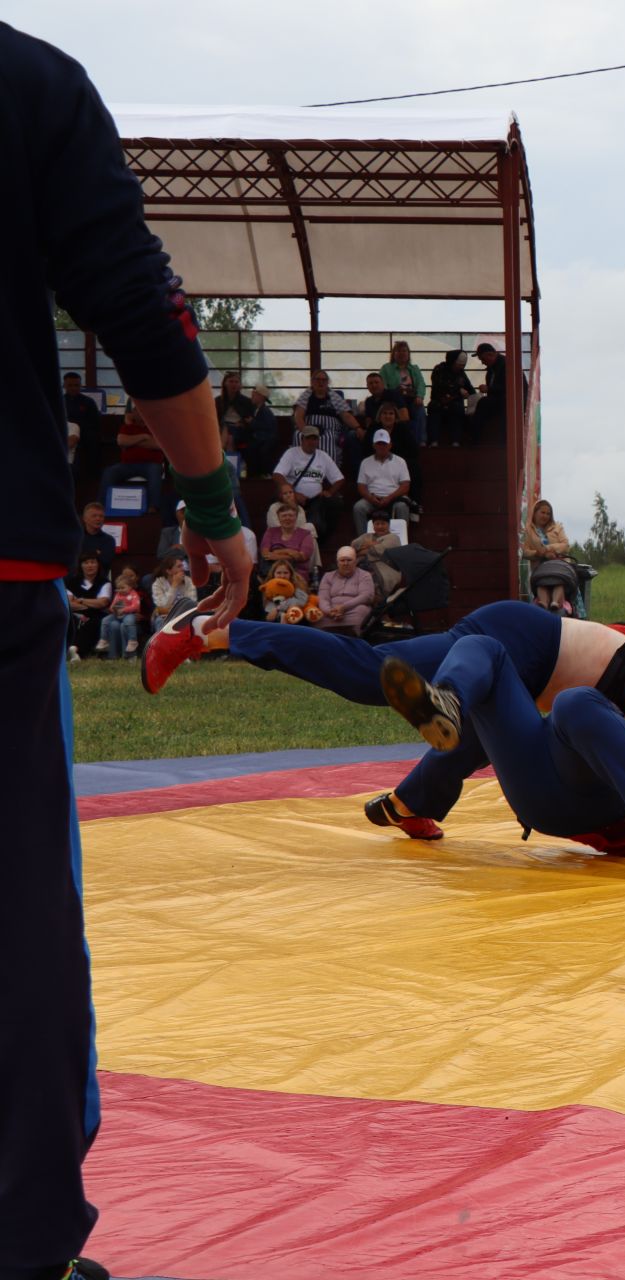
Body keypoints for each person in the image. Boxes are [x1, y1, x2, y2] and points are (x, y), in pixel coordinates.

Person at [2, 26, 254, 1276]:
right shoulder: (30, 84)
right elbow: (139, 304)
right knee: (20, 918)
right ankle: (25, 1238)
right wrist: (211, 507)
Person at [147, 601, 625, 848]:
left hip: (529, 656)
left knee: (386, 682)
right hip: (521, 645)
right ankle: (442, 710)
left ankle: (209, 633)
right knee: (449, 702)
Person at [375, 639, 625, 884]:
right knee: (487, 650)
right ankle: (445, 706)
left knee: (576, 702)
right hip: (544, 790)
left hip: (598, 800)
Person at [272, 423, 347, 546]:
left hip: (315, 499)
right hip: (293, 497)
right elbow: (277, 475)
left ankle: (321, 542)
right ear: (302, 439)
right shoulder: (291, 453)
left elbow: (339, 479)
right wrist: (294, 494)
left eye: (314, 439)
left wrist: (330, 492)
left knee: (335, 503)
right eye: (308, 438)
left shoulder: (323, 456)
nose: (311, 442)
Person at [97, 402, 166, 499]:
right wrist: (144, 437)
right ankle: (101, 504)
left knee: (155, 472)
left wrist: (131, 441)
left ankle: (153, 506)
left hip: (151, 464)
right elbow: (121, 441)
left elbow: (158, 445)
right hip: (127, 464)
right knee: (109, 472)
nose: (141, 414)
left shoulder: (157, 428)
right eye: (138, 412)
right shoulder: (126, 428)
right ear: (133, 414)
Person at [293, 369, 360, 469]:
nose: (321, 382)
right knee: (298, 435)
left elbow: (346, 415)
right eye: (318, 379)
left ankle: (328, 472)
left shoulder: (334, 397)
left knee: (327, 438)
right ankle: (302, 470)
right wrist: (305, 431)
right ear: (312, 382)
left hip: (330, 429)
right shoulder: (306, 395)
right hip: (309, 428)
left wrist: (358, 428)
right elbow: (298, 415)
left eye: (324, 380)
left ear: (328, 382)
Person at [353, 426, 412, 534]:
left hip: (394, 498)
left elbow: (405, 486)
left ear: (390, 445)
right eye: (379, 444)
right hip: (372, 499)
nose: (382, 446)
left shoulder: (400, 461)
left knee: (402, 507)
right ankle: (362, 542)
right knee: (358, 508)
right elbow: (361, 486)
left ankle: (401, 543)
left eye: (384, 444)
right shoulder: (365, 462)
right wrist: (371, 498)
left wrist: (389, 498)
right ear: (374, 445)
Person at [378, 340, 427, 448]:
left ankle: (420, 441)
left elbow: (421, 384)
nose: (402, 353)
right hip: (395, 399)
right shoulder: (386, 368)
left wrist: (419, 396)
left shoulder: (414, 368)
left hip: (412, 398)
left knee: (419, 410)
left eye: (404, 351)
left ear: (408, 353)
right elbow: (383, 386)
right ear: (393, 354)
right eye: (398, 351)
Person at [523, 497, 571, 607]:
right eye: (542, 512)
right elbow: (524, 552)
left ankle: (555, 603)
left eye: (548, 514)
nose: (545, 516)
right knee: (542, 583)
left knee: (559, 581)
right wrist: (538, 554)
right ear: (535, 513)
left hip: (559, 564)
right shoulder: (528, 531)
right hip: (540, 567)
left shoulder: (557, 527)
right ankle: (543, 603)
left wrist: (549, 548)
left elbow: (566, 545)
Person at [317, 545, 376, 632]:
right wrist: (329, 611)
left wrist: (344, 607)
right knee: (317, 617)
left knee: (361, 611)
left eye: (349, 560)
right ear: (337, 563)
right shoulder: (328, 576)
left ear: (355, 562)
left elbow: (366, 596)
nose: (345, 563)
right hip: (331, 611)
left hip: (354, 609)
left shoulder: (364, 575)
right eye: (342, 560)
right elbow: (323, 598)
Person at [65, 552, 111, 659]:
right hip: (75, 614)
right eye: (86, 563)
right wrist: (90, 605)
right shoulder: (71, 582)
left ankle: (77, 650)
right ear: (81, 565)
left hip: (97, 615)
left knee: (92, 622)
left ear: (98, 565)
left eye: (93, 562)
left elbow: (102, 603)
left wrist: (80, 600)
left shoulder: (104, 583)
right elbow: (69, 604)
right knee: (74, 620)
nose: (90, 565)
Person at [427, 348, 476, 447]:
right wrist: (458, 390)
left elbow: (470, 389)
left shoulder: (461, 373)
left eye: (463, 366)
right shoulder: (439, 369)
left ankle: (456, 441)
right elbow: (439, 385)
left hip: (455, 404)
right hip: (438, 401)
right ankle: (434, 441)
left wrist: (472, 397)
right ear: (452, 362)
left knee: (458, 409)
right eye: (458, 365)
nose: (460, 367)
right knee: (434, 409)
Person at [261, 500, 320, 582]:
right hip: (273, 574)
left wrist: (279, 553)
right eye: (284, 516)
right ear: (279, 518)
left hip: (297, 576)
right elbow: (266, 554)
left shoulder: (305, 534)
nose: (287, 518)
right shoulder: (270, 532)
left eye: (290, 515)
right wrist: (293, 553)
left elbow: (302, 557)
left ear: (296, 517)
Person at [354, 513, 405, 599]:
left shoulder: (393, 537)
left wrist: (362, 549)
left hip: (385, 567)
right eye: (377, 524)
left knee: (373, 581)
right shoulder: (367, 536)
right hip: (361, 565)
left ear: (388, 525)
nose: (380, 526)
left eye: (383, 523)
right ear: (373, 525)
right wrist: (371, 546)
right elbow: (353, 546)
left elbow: (379, 550)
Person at [101, 565, 143, 659]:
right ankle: (113, 656)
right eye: (125, 576)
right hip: (119, 617)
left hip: (136, 622)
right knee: (113, 625)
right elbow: (113, 607)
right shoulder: (119, 592)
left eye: (131, 576)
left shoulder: (140, 592)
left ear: (137, 577)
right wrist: (115, 611)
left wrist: (141, 616)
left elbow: (146, 610)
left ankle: (128, 655)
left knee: (125, 625)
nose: (127, 579)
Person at [260, 559, 316, 624]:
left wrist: (278, 608)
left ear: (290, 574)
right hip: (276, 620)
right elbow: (267, 606)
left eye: (285, 573)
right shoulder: (269, 587)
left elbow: (302, 602)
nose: (282, 576)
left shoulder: (297, 586)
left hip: (296, 618)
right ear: (273, 574)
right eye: (279, 573)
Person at [473, 341, 509, 437]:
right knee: (483, 403)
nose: (482, 362)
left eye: (483, 359)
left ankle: (476, 436)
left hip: (508, 400)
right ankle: (476, 434)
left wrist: (489, 389)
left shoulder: (507, 365)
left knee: (484, 403)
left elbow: (509, 387)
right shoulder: (492, 369)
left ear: (491, 354)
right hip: (498, 399)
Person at [150, 554, 198, 627]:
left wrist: (169, 610)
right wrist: (174, 585)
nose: (183, 569)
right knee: (160, 621)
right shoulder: (158, 584)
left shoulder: (189, 582)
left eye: (182, 566)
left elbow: (190, 604)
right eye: (179, 566)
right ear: (169, 571)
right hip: (164, 617)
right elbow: (162, 605)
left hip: (184, 616)